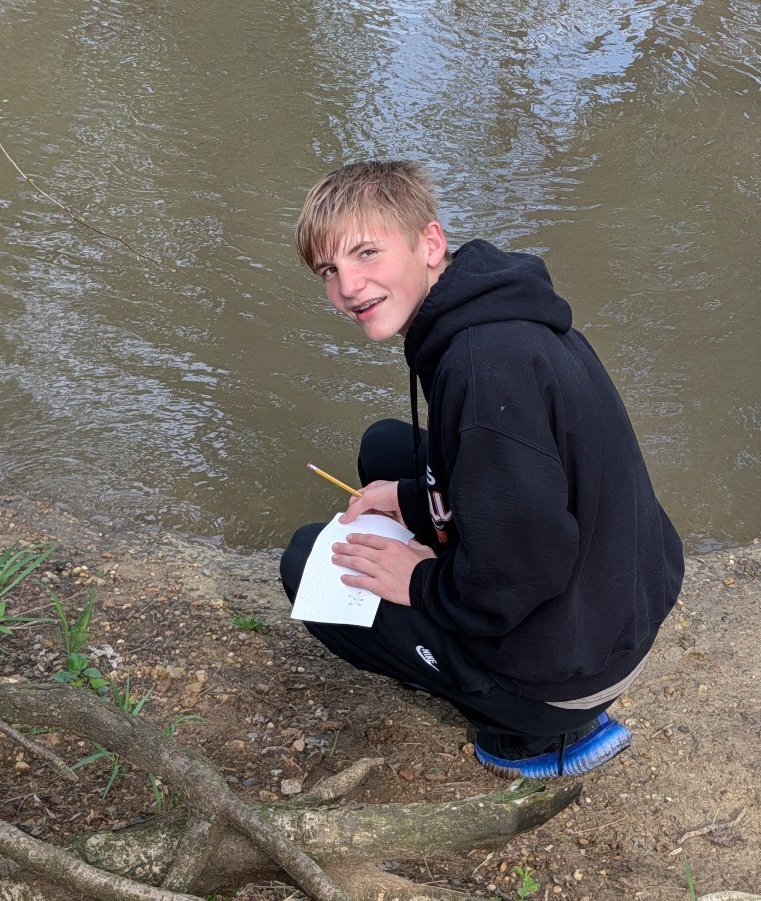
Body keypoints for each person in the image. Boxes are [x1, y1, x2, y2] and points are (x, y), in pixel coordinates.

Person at [280, 160, 685, 778]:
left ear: (430, 243)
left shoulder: (481, 369)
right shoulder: (496, 306)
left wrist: (418, 582)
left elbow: (527, 566)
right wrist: (413, 503)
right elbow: (522, 480)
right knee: (387, 447)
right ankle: (499, 645)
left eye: (367, 253)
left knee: (307, 561)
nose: (349, 286)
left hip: (568, 671)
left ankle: (533, 733)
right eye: (330, 270)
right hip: (622, 597)